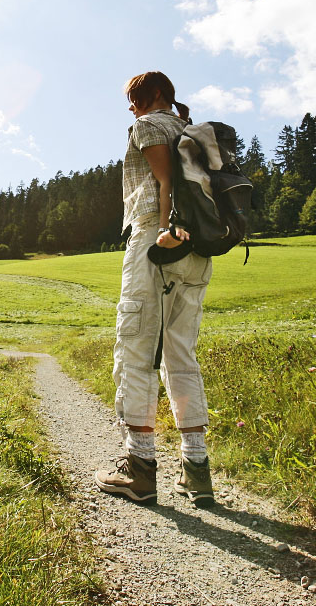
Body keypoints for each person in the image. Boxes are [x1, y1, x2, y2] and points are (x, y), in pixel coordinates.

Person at [94, 70, 214, 507]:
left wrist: (166, 231)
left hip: (159, 242)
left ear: (156, 94)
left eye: (136, 97)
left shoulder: (151, 125)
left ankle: (139, 470)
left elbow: (166, 183)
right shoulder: (193, 132)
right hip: (199, 251)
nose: (132, 106)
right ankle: (196, 470)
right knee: (181, 352)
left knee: (137, 349)